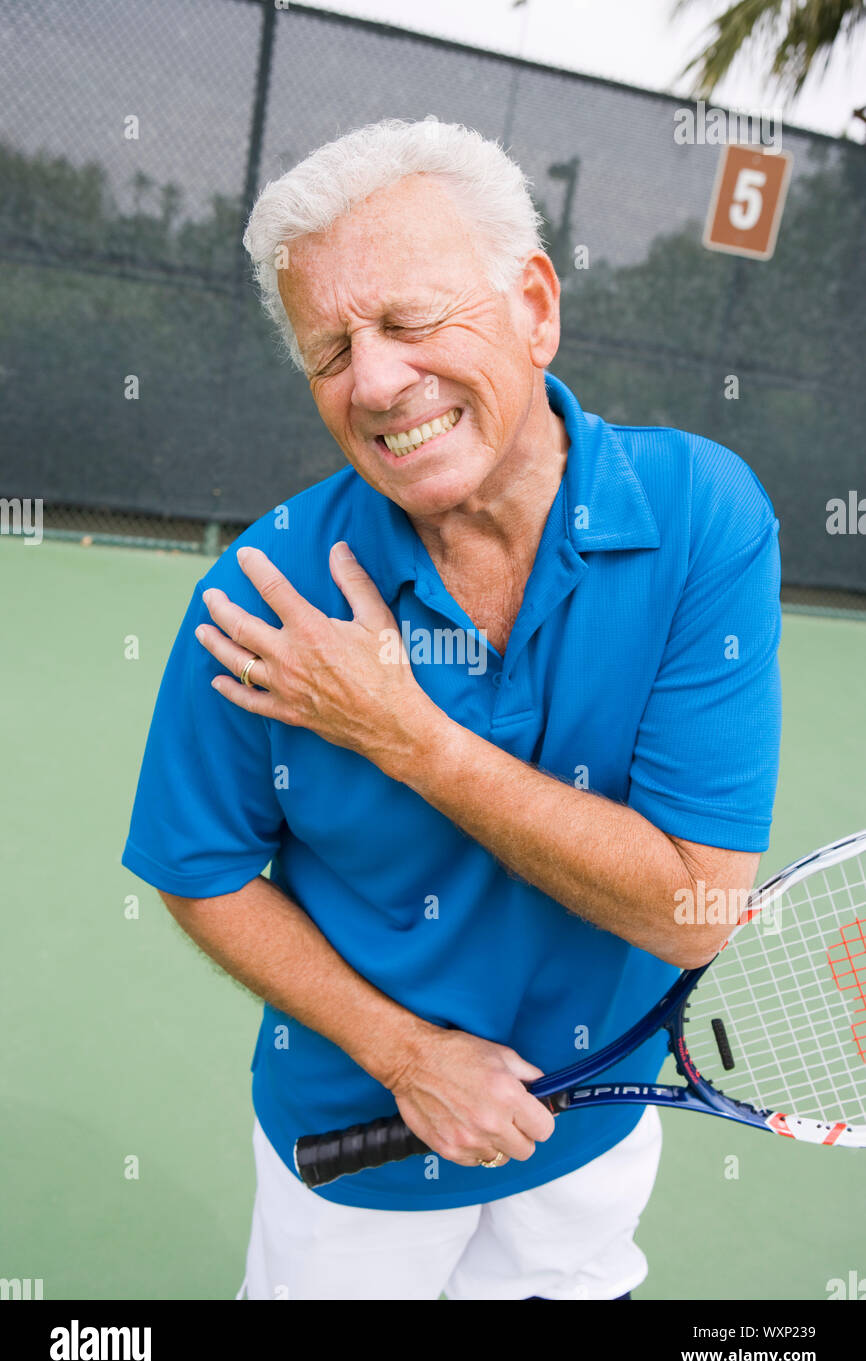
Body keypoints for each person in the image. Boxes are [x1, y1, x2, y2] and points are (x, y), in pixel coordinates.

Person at [121, 118, 782, 1301]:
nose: (373, 381)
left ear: (533, 304)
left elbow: (692, 912)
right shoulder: (259, 590)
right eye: (330, 351)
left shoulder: (701, 518)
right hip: (354, 1155)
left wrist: (402, 733)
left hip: (591, 1130)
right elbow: (199, 865)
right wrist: (406, 1054)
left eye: (412, 321)